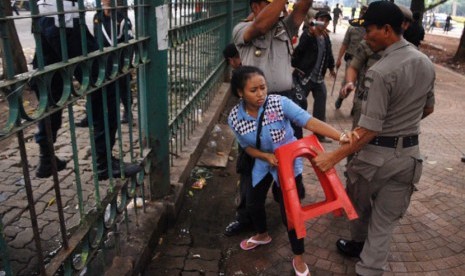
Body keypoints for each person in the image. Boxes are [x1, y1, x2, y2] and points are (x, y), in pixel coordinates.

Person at [313, 2, 435, 275]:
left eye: (369, 30)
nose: (366, 36)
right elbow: (428, 108)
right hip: (409, 158)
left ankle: (358, 245)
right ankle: (370, 267)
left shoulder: (381, 71)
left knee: (360, 207)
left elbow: (369, 129)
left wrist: (331, 157)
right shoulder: (425, 63)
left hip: (374, 160)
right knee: (384, 224)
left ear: (387, 30)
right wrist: (401, 125)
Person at [228, 66, 353, 276]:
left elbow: (309, 121)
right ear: (240, 92)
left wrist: (339, 136)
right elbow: (246, 147)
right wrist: (265, 156)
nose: (260, 94)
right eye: (254, 90)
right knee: (252, 203)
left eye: (263, 88)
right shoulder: (235, 117)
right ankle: (262, 234)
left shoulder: (278, 103)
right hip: (263, 162)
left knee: (291, 212)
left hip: (287, 161)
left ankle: (299, 258)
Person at [33, 0, 140, 180]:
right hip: (63, 20)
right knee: (105, 81)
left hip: (45, 15)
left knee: (51, 89)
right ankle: (103, 164)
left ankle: (46, 158)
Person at [232, 0, 313, 140]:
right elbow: (261, 26)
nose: (279, 8)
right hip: (258, 104)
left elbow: (303, 7)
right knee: (257, 155)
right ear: (255, 7)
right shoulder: (242, 28)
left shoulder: (285, 27)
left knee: (290, 153)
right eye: (271, 4)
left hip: (286, 101)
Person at [76, 0, 134, 127]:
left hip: (119, 59)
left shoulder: (122, 19)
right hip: (102, 60)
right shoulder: (98, 17)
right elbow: (97, 37)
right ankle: (91, 115)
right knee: (96, 87)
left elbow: (129, 43)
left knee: (123, 87)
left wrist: (127, 63)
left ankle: (128, 113)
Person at [291, 10, 336, 143]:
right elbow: (299, 50)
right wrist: (310, 34)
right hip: (304, 76)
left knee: (320, 105)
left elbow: (329, 54)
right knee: (298, 105)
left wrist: (332, 68)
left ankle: (319, 135)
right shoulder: (308, 34)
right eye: (322, 19)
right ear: (316, 20)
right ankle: (294, 134)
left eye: (327, 20)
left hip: (318, 78)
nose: (324, 22)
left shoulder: (326, 37)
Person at [334, 5, 368, 110]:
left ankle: (355, 106)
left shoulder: (370, 29)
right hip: (351, 59)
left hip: (365, 62)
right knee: (349, 83)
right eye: (362, 12)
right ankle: (341, 97)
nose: (363, 14)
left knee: (361, 85)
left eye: (365, 13)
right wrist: (339, 58)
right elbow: (345, 44)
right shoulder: (352, 28)